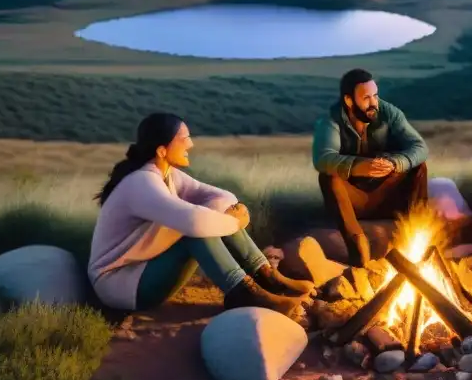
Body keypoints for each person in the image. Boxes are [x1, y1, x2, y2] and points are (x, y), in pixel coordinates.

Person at [87, 113, 315, 323]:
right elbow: (195, 223)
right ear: (162, 151)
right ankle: (243, 294)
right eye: (184, 138)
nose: (191, 144)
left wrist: (230, 214)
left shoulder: (169, 175)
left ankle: (266, 277)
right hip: (120, 286)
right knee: (196, 229)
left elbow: (222, 196)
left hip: (145, 269)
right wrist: (233, 222)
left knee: (208, 218)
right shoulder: (141, 183)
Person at [312, 68, 430, 267]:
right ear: (349, 101)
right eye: (366, 98)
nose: (373, 102)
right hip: (355, 199)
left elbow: (419, 147)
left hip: (387, 193)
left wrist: (396, 163)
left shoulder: (389, 113)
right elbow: (323, 159)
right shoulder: (331, 120)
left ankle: (418, 236)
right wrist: (358, 166)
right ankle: (358, 249)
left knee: (419, 167)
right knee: (328, 178)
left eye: (375, 95)